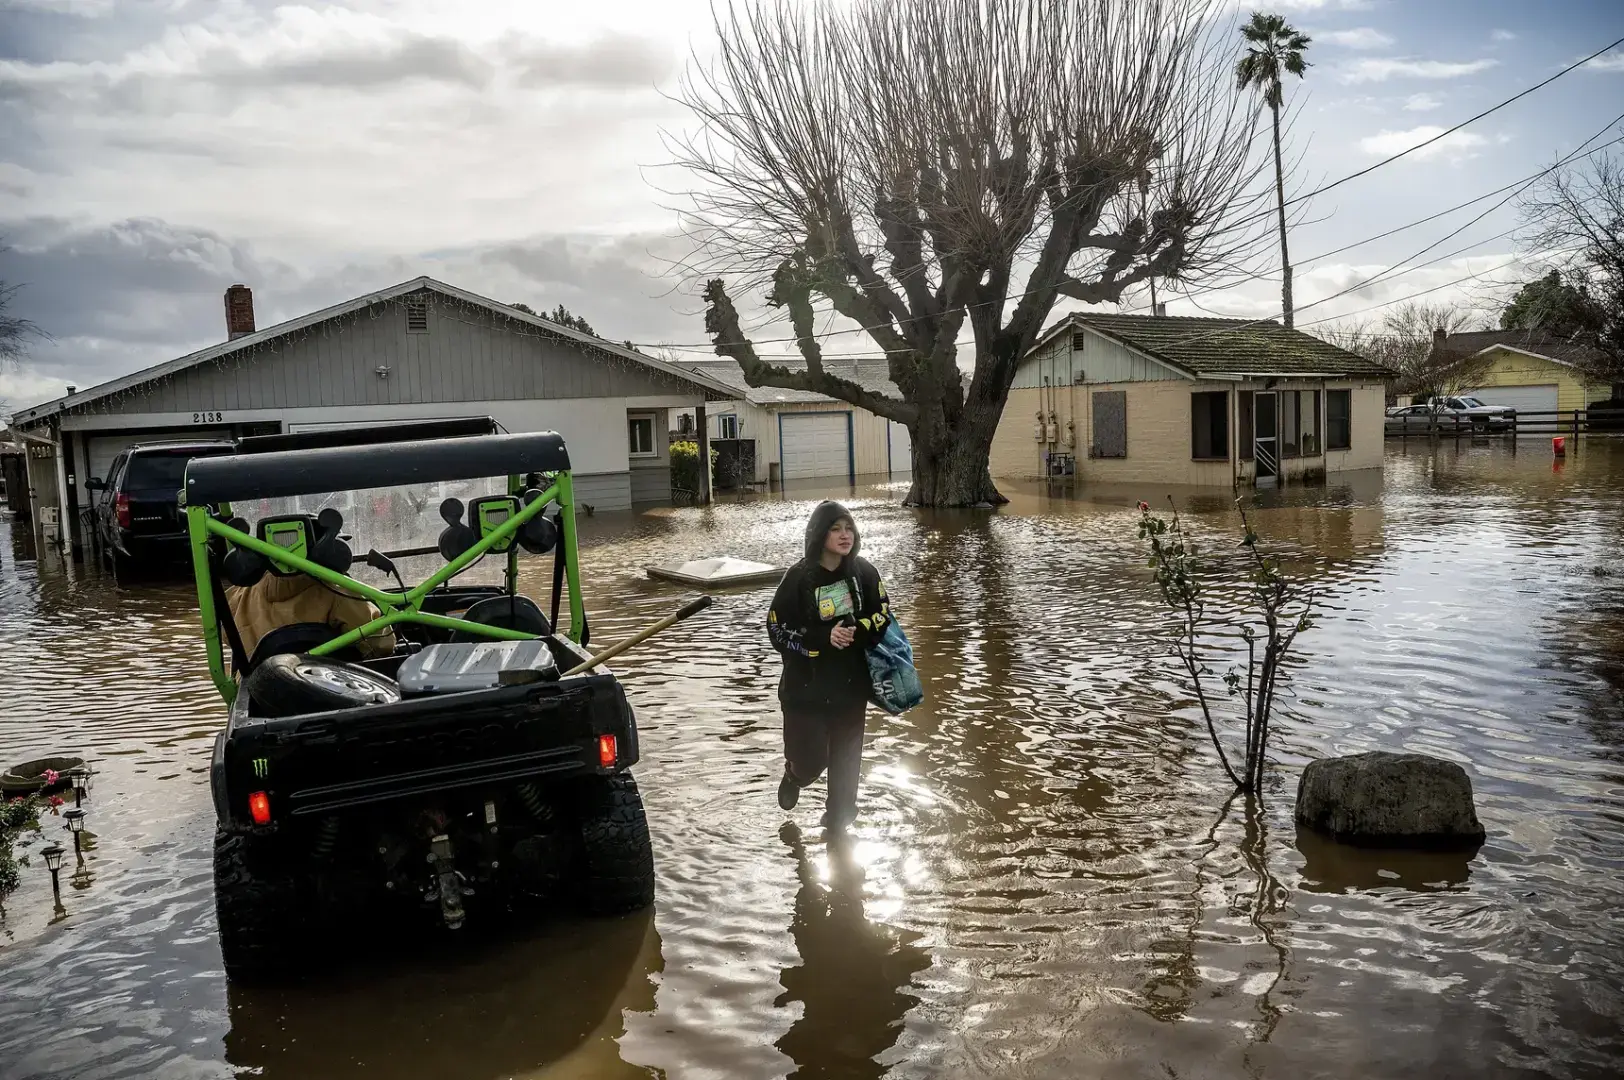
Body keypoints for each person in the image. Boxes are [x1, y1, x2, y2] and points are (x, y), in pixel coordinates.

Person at [767, 500, 891, 830]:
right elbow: (776, 629)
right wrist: (823, 638)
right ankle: (795, 775)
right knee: (811, 762)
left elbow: (882, 616)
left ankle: (839, 836)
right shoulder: (798, 578)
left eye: (849, 528)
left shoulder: (865, 573)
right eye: (835, 529)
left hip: (851, 691)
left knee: (846, 774)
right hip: (805, 692)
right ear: (819, 534)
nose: (844, 535)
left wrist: (858, 630)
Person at [226, 572, 396, 662]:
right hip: (330, 693)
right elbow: (379, 645)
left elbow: (225, 636)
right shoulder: (335, 589)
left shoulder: (239, 594)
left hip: (257, 698)